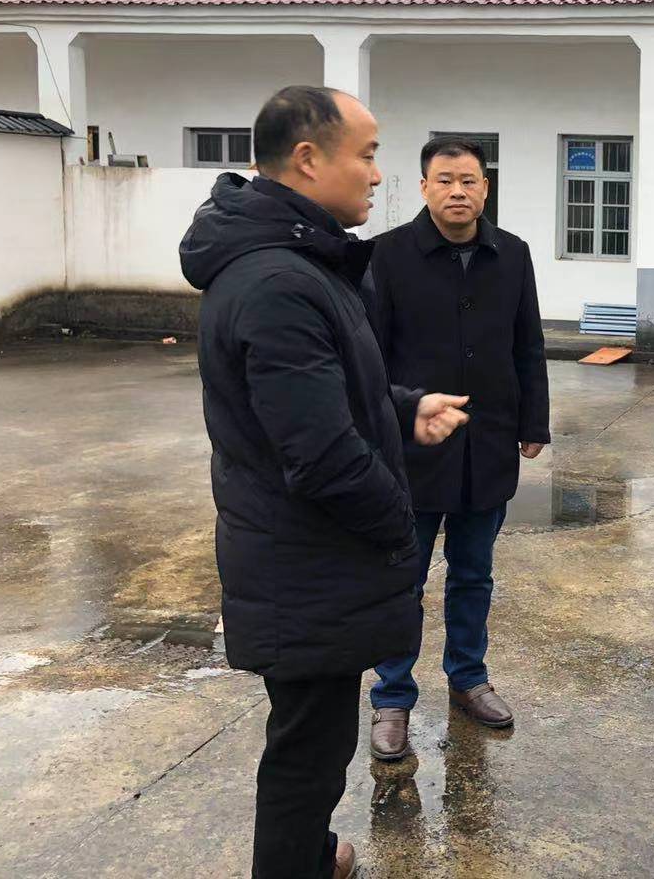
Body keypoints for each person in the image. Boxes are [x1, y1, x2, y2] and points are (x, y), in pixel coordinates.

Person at [180, 85, 469, 879]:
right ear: (308, 159)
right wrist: (398, 527)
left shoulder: (298, 265)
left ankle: (312, 855)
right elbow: (320, 453)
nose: (377, 174)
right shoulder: (278, 281)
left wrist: (403, 409)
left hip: (301, 561)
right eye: (367, 155)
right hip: (302, 565)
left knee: (313, 745)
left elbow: (325, 394)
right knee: (306, 759)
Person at [364, 134, 550, 760]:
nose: (457, 191)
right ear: (424, 188)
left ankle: (469, 678)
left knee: (474, 574)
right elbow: (369, 357)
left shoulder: (513, 255)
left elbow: (528, 344)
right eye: (444, 180)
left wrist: (533, 422)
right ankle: (392, 695)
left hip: (488, 444)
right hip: (413, 448)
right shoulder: (388, 256)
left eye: (469, 180)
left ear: (485, 188)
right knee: (404, 578)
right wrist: (391, 420)